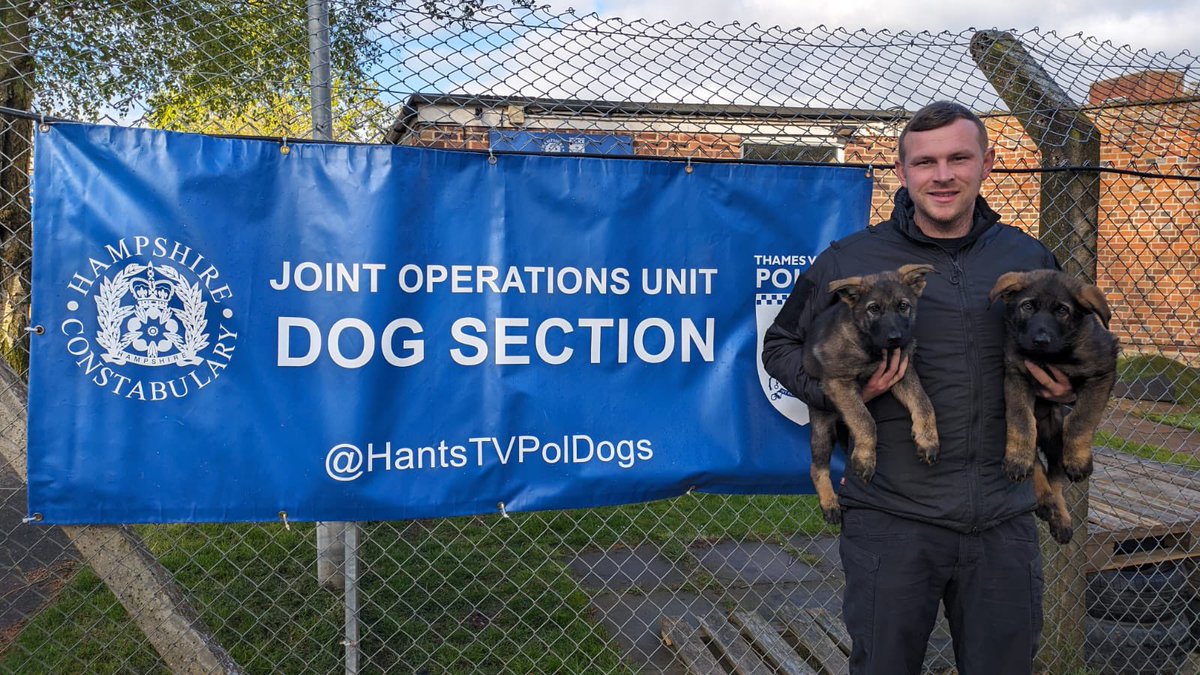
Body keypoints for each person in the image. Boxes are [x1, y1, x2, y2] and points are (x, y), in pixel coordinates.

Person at [761, 101, 1075, 675]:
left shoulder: (1027, 258)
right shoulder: (850, 261)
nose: (943, 175)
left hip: (1004, 518)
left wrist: (1065, 388)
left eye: (959, 158)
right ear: (902, 173)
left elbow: (1071, 344)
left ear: (988, 163)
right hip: (892, 520)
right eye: (925, 162)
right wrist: (835, 393)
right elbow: (779, 345)